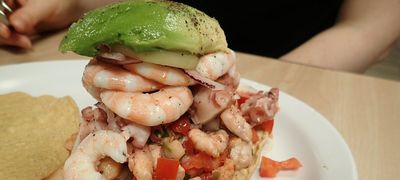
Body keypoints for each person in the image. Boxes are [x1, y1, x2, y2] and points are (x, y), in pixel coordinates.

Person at [1, 0, 399, 73]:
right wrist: (70, 6)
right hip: (154, 47)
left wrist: (257, 83)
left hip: (307, 61)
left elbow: (371, 27)